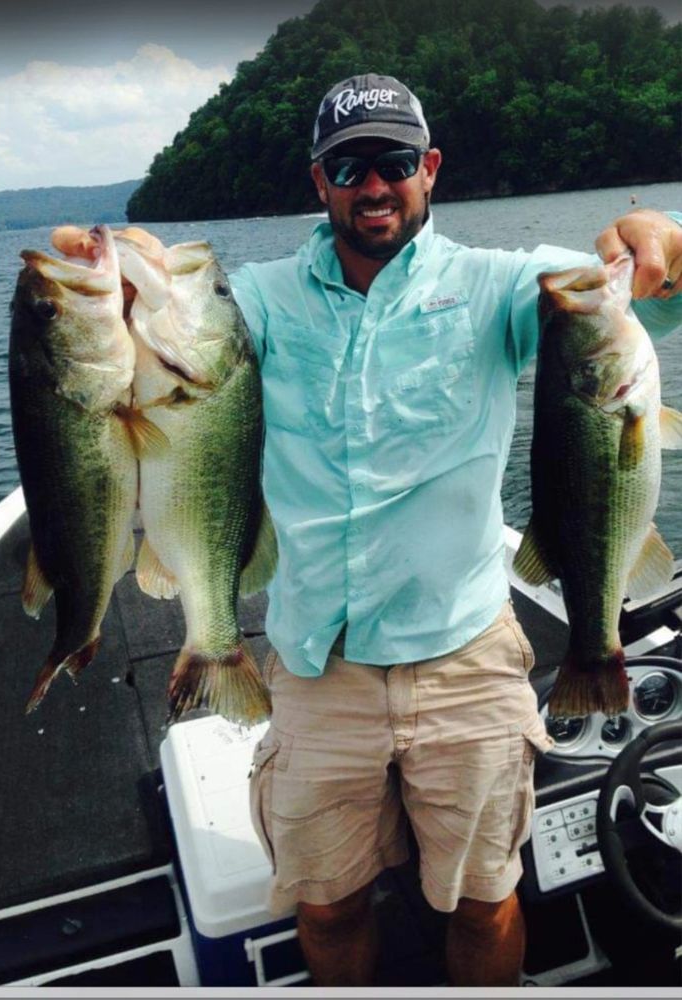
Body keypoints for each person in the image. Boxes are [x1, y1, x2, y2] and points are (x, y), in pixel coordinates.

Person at [53, 74, 682, 988]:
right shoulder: (258, 302)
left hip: (465, 656)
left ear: (428, 169)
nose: (373, 184)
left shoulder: (498, 286)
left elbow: (647, 300)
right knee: (327, 903)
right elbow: (179, 340)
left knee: (483, 899)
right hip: (316, 663)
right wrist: (114, 278)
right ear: (320, 181)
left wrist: (661, 240)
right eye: (350, 165)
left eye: (393, 161)